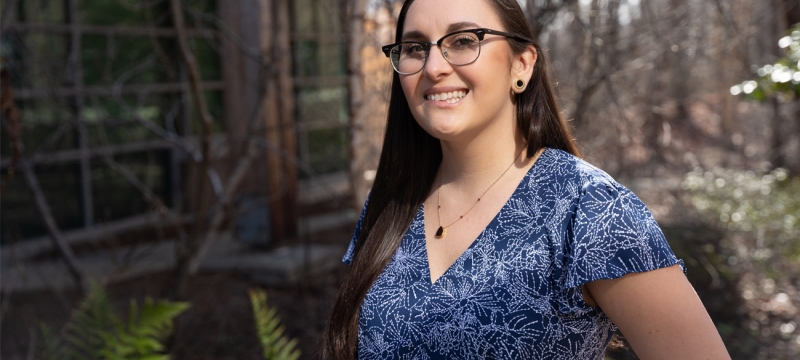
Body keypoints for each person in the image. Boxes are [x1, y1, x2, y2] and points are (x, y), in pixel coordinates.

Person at [322, 0, 731, 358]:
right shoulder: (392, 202)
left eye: (464, 40)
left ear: (522, 64)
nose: (433, 67)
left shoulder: (591, 210)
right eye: (414, 48)